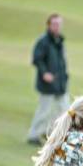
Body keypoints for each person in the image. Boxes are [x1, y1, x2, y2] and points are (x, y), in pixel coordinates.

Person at [28, 14, 70, 145]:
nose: (57, 27)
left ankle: (52, 134)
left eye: (59, 24)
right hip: (47, 84)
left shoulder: (60, 41)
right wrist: (44, 73)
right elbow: (37, 59)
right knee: (44, 110)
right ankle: (33, 135)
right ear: (49, 25)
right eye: (54, 24)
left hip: (60, 83)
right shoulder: (43, 41)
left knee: (63, 110)